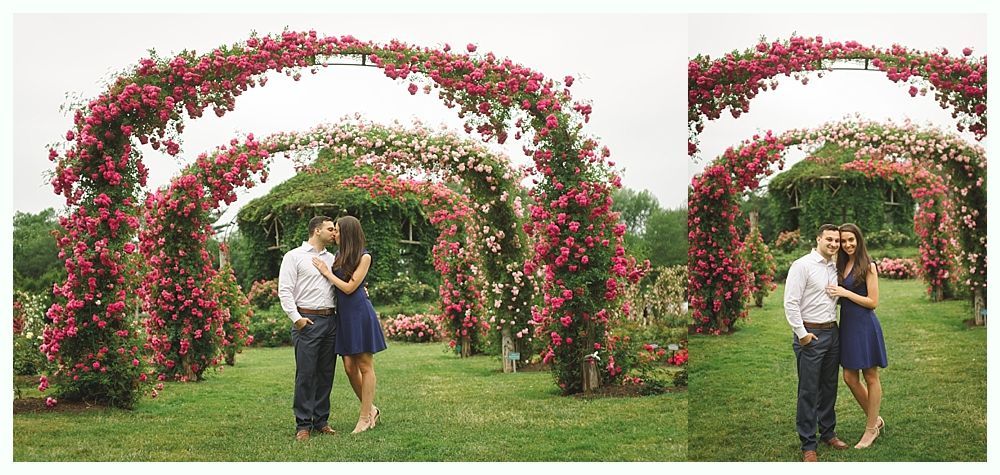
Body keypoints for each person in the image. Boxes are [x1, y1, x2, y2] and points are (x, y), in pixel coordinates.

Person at [312, 215, 388, 434]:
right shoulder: (337, 256)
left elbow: (349, 288)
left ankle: (365, 417)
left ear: (347, 232)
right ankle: (371, 408)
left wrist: (326, 274)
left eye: (336, 230)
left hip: (359, 313)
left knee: (365, 365)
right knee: (348, 367)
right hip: (343, 316)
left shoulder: (365, 257)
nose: (334, 233)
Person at [784, 223, 849, 462]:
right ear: (818, 239)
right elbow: (790, 302)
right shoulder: (802, 266)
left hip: (833, 333)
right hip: (810, 334)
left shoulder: (836, 266)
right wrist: (802, 334)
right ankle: (808, 443)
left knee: (829, 387)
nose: (834, 244)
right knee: (809, 391)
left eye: (837, 241)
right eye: (829, 239)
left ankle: (828, 432)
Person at [826, 223, 888, 449]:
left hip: (865, 325)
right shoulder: (840, 264)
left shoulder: (868, 266)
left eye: (851, 240)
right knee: (850, 378)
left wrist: (845, 292)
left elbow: (873, 302)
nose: (847, 244)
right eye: (843, 241)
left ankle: (870, 429)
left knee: (870, 376)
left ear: (859, 240)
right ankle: (876, 419)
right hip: (848, 326)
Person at [278, 216, 338, 441]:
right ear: (316, 230)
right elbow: (285, 290)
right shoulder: (294, 256)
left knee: (326, 373)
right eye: (330, 229)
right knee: (305, 374)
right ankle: (303, 424)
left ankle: (321, 421)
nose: (334, 233)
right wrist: (297, 319)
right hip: (307, 321)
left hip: (331, 321)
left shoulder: (332, 258)